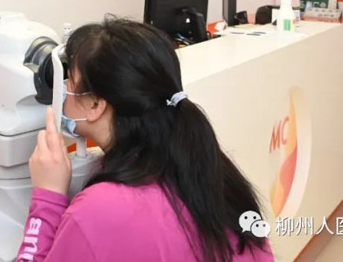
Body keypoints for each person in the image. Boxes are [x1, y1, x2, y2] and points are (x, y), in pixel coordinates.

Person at [17, 17, 274, 262]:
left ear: (95, 104)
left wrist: (48, 197)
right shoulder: (208, 168)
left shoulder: (100, 210)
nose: (64, 91)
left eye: (70, 82)